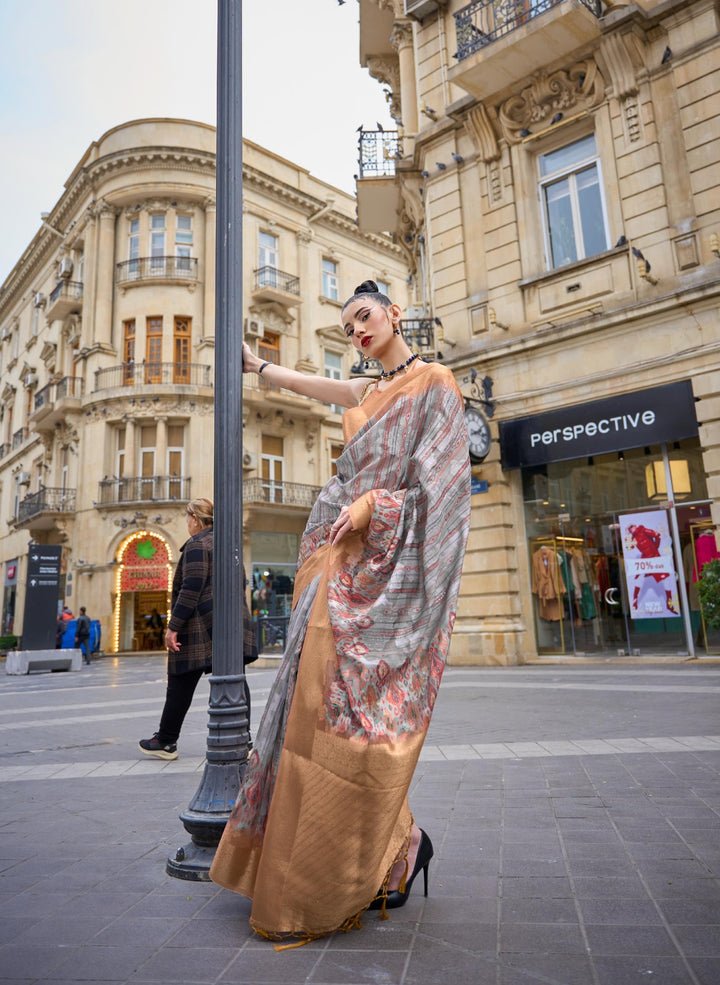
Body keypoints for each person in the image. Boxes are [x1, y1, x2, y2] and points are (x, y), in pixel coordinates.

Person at [210, 281, 471, 944]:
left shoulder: (435, 383)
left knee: (356, 720)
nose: (356, 327)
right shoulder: (364, 392)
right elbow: (315, 387)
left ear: (394, 313)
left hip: (384, 572)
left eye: (364, 315)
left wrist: (374, 508)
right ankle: (392, 845)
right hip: (337, 567)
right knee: (310, 712)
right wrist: (258, 366)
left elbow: (440, 495)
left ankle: (389, 848)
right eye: (347, 321)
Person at [138, 498, 214, 761]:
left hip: (196, 627)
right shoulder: (227, 543)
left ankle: (167, 741)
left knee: (180, 682)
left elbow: (190, 589)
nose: (187, 522)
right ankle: (244, 740)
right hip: (222, 626)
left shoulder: (196, 544)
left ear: (194, 518)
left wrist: (173, 627)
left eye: (188, 517)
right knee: (231, 680)